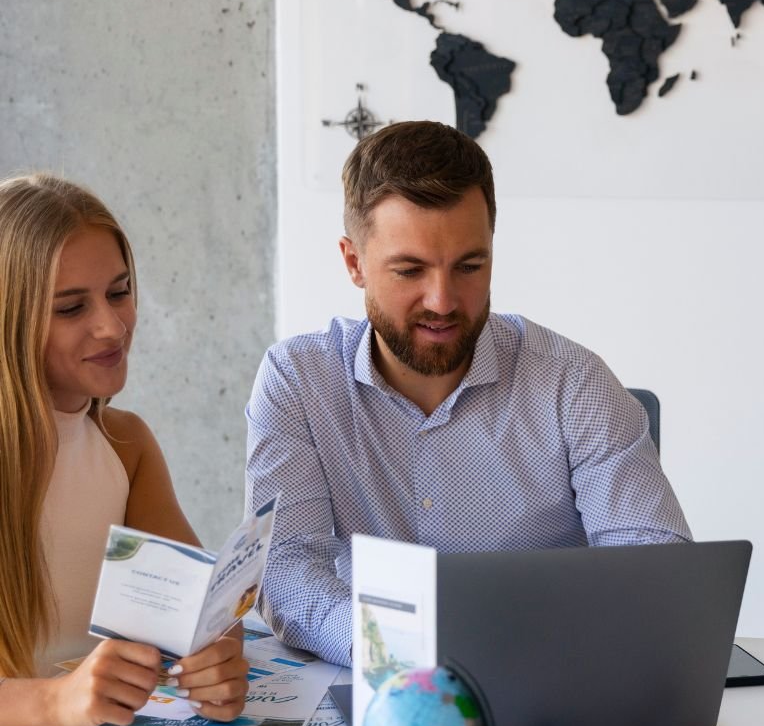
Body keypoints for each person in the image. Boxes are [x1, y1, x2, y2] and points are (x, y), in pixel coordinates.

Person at [245, 120, 690, 663]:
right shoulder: (298, 381)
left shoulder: (574, 382)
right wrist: (399, 648)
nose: (442, 301)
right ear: (354, 262)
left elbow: (652, 567)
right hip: (379, 673)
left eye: (469, 266)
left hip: (548, 673)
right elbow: (286, 566)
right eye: (410, 270)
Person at [0, 174, 249, 726]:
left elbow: (202, 614)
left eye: (119, 292)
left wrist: (217, 658)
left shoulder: (127, 445)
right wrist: (53, 702)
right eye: (71, 308)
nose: (112, 327)